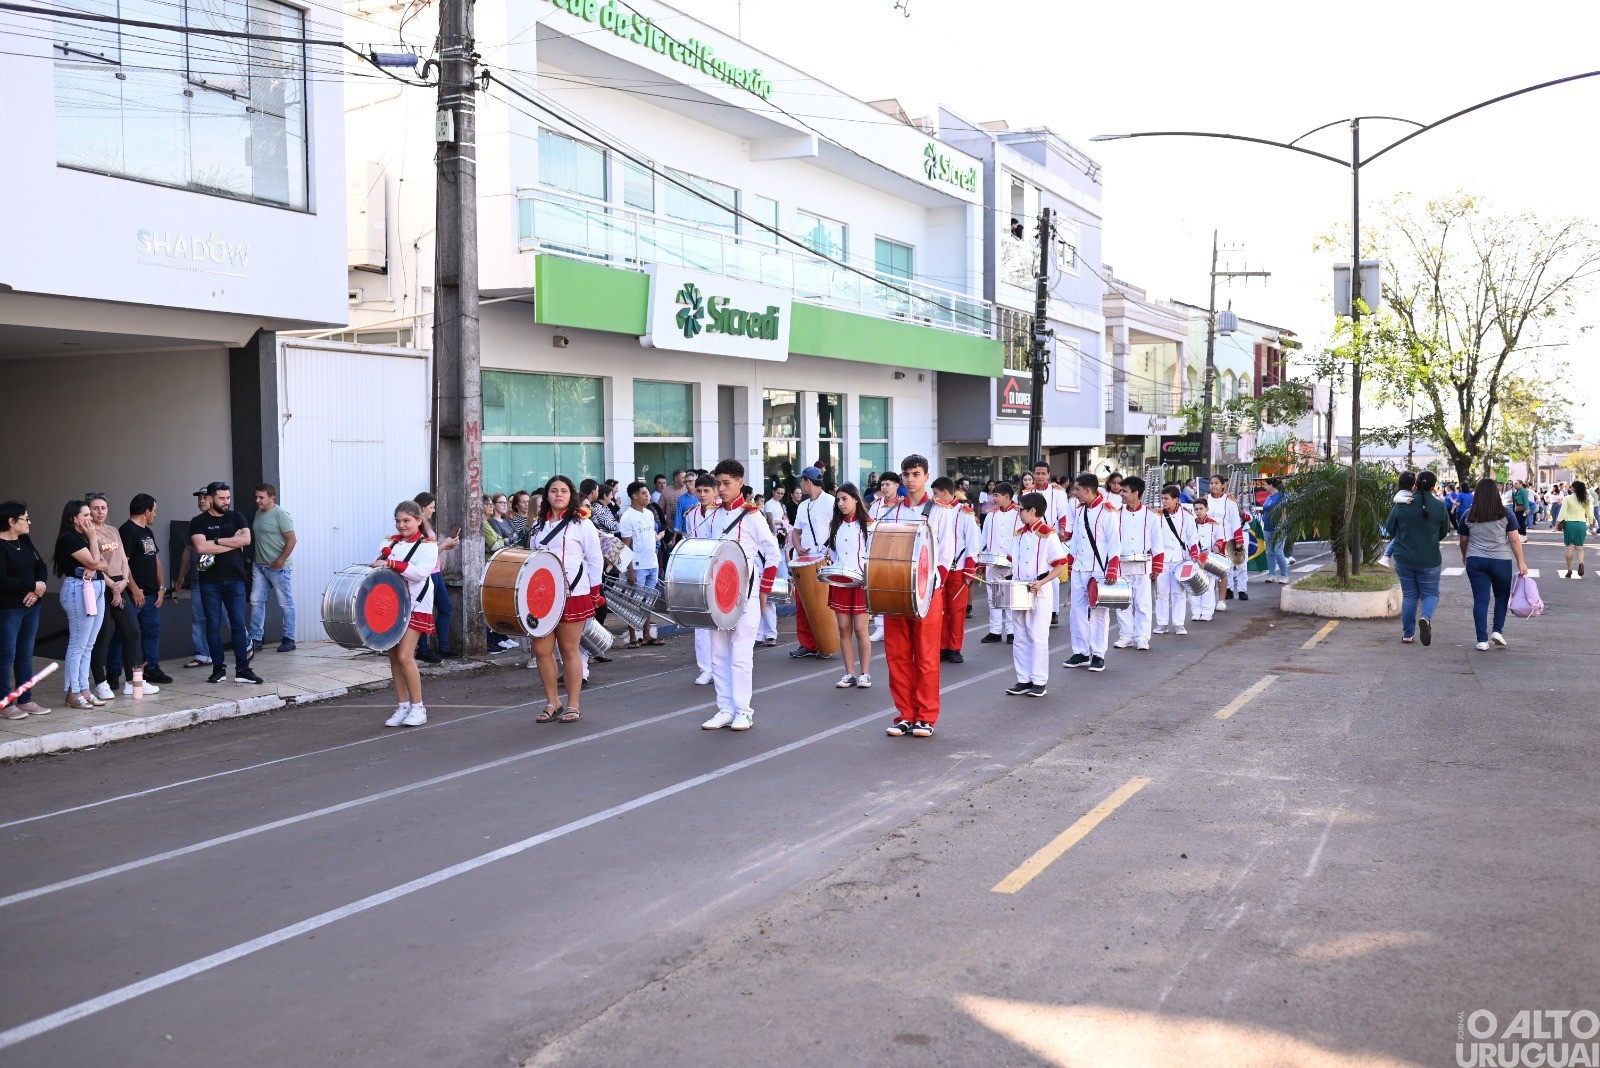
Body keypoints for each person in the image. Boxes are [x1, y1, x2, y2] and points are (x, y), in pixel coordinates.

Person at [879, 454, 956, 739]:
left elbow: (946, 554)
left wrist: (932, 586)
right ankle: (904, 714)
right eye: (906, 475)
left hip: (927, 592)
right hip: (895, 590)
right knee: (897, 656)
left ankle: (925, 716)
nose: (910, 480)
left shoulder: (941, 512)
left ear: (926, 477)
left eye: (915, 474)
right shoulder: (890, 512)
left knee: (926, 656)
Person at [700, 459, 780, 732]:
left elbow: (773, 554)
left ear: (739, 483)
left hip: (745, 594)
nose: (721, 489)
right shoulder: (713, 515)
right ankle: (724, 708)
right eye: (718, 484)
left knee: (741, 655)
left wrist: (764, 590)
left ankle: (743, 711)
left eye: (726, 484)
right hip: (717, 596)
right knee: (718, 654)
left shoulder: (752, 516)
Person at [528, 476, 605, 724]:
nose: (558, 495)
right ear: (547, 495)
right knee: (541, 650)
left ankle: (573, 704)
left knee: (569, 650)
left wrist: (595, 591)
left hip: (574, 593)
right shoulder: (538, 526)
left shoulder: (582, 524)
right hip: (542, 598)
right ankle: (553, 702)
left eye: (563, 491)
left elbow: (595, 559)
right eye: (553, 491)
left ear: (571, 495)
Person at [190, 482, 261, 685]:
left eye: (228, 497)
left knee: (238, 624)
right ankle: (218, 669)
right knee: (212, 625)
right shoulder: (198, 522)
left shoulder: (237, 517)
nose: (226, 501)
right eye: (222, 498)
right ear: (211, 499)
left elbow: (246, 540)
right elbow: (201, 547)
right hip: (209, 581)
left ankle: (242, 669)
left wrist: (216, 541)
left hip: (235, 579)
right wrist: (231, 542)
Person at [376, 500, 438, 728]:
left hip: (416, 603)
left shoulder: (428, 545)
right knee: (393, 656)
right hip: (393, 603)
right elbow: (382, 566)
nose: (401, 525)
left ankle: (418, 707)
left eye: (406, 521)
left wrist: (391, 563)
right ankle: (403, 706)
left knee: (404, 656)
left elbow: (420, 573)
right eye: (398, 521)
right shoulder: (390, 542)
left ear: (419, 521)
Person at [1003, 492, 1068, 697]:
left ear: (1033, 511)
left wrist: (1042, 582)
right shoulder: (1018, 534)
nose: (1019, 513)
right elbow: (1014, 563)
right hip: (1019, 589)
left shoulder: (1048, 535)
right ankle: (1023, 679)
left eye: (1021, 509)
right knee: (1020, 637)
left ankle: (1039, 681)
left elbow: (1059, 566)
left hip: (1039, 590)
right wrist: (1007, 578)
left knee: (1038, 637)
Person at [86, 493, 146, 700]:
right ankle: (100, 682)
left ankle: (132, 681)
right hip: (101, 584)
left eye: (103, 508)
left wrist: (125, 582)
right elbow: (93, 564)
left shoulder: (113, 531)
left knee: (132, 631)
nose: (100, 512)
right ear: (88, 511)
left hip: (120, 583)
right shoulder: (88, 532)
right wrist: (113, 586)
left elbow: (123, 560)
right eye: (95, 508)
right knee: (102, 635)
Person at [1459, 477, 1529, 651]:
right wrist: (1521, 562)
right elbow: (1514, 539)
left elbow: (1463, 540)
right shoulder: (1506, 513)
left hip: (1476, 560)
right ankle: (1497, 631)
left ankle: (1482, 640)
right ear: (1495, 493)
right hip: (1501, 561)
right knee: (1501, 596)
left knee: (1480, 600)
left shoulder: (1468, 514)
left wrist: (1465, 556)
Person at [1384, 471, 1453, 646]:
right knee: (1431, 594)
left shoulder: (1402, 503)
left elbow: (1390, 527)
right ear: (1433, 486)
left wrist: (1403, 536)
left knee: (1409, 595)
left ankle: (1408, 634)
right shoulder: (1440, 506)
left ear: (1416, 484)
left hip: (1404, 557)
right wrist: (1430, 539)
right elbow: (1444, 531)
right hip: (1430, 559)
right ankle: (1425, 618)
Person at [1061, 473, 1121, 672]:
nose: (1075, 493)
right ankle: (1080, 652)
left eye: (1077, 489)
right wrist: (1070, 563)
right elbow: (1076, 539)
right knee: (1076, 612)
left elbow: (1114, 543)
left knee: (1099, 613)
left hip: (1099, 570)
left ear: (1087, 490)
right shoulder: (1080, 510)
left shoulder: (1108, 511)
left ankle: (1098, 654)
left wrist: (1112, 568)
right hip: (1080, 568)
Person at [114, 493, 172, 689]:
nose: (155, 514)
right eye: (154, 511)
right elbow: (123, 564)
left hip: (151, 594)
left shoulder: (147, 531)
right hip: (133, 596)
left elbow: (155, 559)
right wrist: (134, 589)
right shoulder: (127, 531)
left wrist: (161, 587)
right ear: (146, 511)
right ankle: (113, 673)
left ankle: (151, 668)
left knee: (151, 632)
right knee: (124, 633)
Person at [54, 500, 107, 709]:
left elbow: (104, 564)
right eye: (85, 515)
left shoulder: (84, 537)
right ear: (72, 518)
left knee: (88, 644)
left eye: (89, 515)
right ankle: (73, 691)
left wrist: (94, 565)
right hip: (79, 589)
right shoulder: (69, 539)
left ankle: (84, 688)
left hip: (96, 588)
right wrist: (93, 541)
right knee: (78, 643)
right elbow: (95, 561)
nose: (90, 518)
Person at [0, 500, 50, 718]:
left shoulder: (25, 540)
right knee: (6, 655)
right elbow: (2, 580)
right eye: (25, 519)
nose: (29, 522)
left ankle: (25, 700)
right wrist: (31, 586)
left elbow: (41, 566)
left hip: (32, 606)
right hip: (9, 609)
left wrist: (37, 590)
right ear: (11, 521)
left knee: (25, 654)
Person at [824, 482, 873, 689]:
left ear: (855, 499)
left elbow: (873, 555)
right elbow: (834, 553)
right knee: (844, 629)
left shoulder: (869, 525)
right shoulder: (835, 525)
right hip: (840, 580)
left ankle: (865, 673)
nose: (841, 503)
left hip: (862, 581)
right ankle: (849, 673)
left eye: (845, 499)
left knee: (860, 629)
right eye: (838, 500)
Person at [788, 466, 835, 660]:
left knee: (823, 604)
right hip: (805, 561)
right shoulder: (803, 506)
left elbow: (837, 527)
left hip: (823, 560)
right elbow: (796, 532)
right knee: (803, 604)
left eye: (802, 480)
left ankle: (826, 642)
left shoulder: (830, 501)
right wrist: (798, 548)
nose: (800, 484)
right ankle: (807, 644)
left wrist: (830, 548)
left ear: (808, 481)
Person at [248, 483, 298, 654]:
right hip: (259, 566)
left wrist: (280, 561)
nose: (257, 500)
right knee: (256, 601)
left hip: (278, 568)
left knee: (285, 603)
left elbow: (292, 539)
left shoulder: (281, 514)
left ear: (272, 497)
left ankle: (289, 638)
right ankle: (256, 639)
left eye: (261, 497)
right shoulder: (258, 513)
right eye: (256, 497)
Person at [933, 477, 978, 664]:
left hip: (958, 569)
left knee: (957, 611)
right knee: (940, 610)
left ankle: (954, 648)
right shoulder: (935, 510)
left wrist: (969, 569)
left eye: (936, 493)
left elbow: (973, 543)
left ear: (945, 493)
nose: (934, 497)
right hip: (939, 569)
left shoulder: (965, 512)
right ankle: (942, 646)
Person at [1113, 476, 1160, 651]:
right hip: (1121, 565)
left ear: (1136, 493)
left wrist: (1157, 566)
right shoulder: (1116, 514)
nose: (1121, 494)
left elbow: (1157, 542)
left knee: (1143, 603)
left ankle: (1142, 637)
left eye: (1124, 491)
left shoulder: (1151, 515)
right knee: (1122, 603)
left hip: (1142, 567)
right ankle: (1126, 636)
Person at [414, 492, 459, 662]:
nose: (433, 510)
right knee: (425, 611)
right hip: (427, 574)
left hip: (435, 572)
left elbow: (432, 550)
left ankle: (443, 647)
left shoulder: (426, 526)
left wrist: (445, 546)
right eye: (431, 507)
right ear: (422, 508)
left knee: (446, 608)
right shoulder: (418, 528)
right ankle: (423, 649)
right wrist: (444, 545)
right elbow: (424, 554)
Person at [619, 480, 664, 648]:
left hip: (652, 564)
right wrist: (630, 571)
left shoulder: (649, 514)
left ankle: (646, 635)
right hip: (637, 567)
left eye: (648, 493)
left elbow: (651, 538)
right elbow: (625, 546)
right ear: (634, 496)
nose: (648, 496)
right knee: (634, 602)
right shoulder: (627, 517)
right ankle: (632, 637)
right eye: (644, 493)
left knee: (648, 602)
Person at [175, 486, 214, 669]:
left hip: (219, 578)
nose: (201, 501)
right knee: (198, 617)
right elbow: (189, 549)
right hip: (198, 578)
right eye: (199, 498)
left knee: (228, 614)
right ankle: (202, 655)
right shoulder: (195, 522)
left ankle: (245, 647)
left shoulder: (224, 520)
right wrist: (181, 576)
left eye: (205, 497)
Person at [1154, 484, 1198, 636]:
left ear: (1176, 499)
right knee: (1161, 592)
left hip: (1180, 558)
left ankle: (1179, 624)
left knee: (1179, 592)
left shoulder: (1187, 516)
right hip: (1163, 559)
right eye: (1162, 498)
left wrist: (1194, 556)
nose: (1163, 501)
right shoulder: (1157, 516)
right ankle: (1162, 623)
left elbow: (1192, 537)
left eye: (1166, 498)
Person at [1033, 461, 1072, 626]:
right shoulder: (1028, 492)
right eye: (1037, 473)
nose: (1040, 476)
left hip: (1051, 535)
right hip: (1034, 537)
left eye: (1043, 473)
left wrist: (1062, 530)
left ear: (1049, 475)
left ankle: (1053, 611)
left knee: (1053, 573)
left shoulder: (1057, 492)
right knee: (1037, 571)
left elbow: (1063, 513)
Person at [978, 481, 1019, 644]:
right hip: (993, 562)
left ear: (1007, 496)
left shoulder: (1018, 514)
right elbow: (983, 539)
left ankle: (1011, 631)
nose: (993, 498)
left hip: (1012, 563)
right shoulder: (991, 515)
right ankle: (994, 630)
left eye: (996, 495)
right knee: (993, 596)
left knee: (1010, 597)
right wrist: (980, 562)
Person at [1204, 475, 1248, 603]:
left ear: (1223, 485)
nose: (1213, 485)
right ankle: (1217, 597)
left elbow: (1235, 522)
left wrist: (1239, 543)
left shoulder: (1230, 501)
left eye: (1216, 483)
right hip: (1210, 541)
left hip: (1227, 539)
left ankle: (1241, 590)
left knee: (1239, 566)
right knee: (1212, 571)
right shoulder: (1205, 500)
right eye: (1211, 483)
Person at [483, 494, 518, 651]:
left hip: (498, 564)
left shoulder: (491, 523)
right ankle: (492, 638)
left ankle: (500, 636)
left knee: (498, 603)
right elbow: (497, 545)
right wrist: (501, 540)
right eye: (488, 504)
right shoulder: (486, 524)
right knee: (491, 603)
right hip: (491, 565)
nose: (490, 506)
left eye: (492, 504)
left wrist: (501, 540)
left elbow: (509, 539)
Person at [1189, 497, 1220, 622]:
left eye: (1201, 508)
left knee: (1208, 586)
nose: (1198, 511)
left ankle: (1207, 611)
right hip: (1194, 558)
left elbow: (1220, 538)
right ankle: (1196, 611)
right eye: (1196, 509)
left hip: (1209, 557)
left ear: (1207, 509)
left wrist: (1217, 546)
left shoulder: (1214, 524)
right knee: (1194, 585)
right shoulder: (1191, 524)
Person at [1377, 472, 1416, 569]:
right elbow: (1396, 498)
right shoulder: (1403, 493)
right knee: (1396, 539)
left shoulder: (1409, 493)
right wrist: (1406, 500)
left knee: (1396, 539)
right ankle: (1386, 556)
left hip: (1405, 527)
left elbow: (1390, 525)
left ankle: (1386, 557)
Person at [1557, 480, 1591, 579]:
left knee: (1569, 547)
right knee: (1580, 547)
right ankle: (1581, 563)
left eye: (1571, 487)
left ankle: (1569, 569)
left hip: (1570, 524)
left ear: (1574, 488)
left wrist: (1557, 523)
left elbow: (1562, 512)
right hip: (1581, 524)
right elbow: (1590, 513)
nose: (1570, 488)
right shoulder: (1586, 499)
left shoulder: (1568, 498)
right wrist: (1590, 524)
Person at [1260, 478, 1290, 583]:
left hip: (1280, 528)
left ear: (1271, 485)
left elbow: (1285, 512)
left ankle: (1285, 576)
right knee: (1269, 552)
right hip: (1267, 527)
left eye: (1265, 484)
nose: (1263, 486)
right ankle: (1272, 575)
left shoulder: (1282, 496)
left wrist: (1280, 526)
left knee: (1278, 551)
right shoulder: (1268, 497)